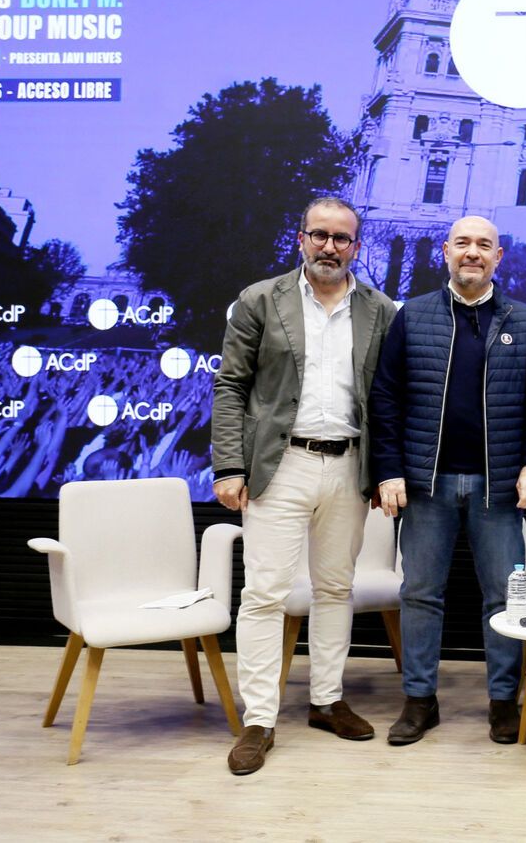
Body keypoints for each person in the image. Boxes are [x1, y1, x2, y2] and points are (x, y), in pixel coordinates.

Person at [212, 196, 397, 775]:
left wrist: (387, 471)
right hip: (278, 466)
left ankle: (325, 701)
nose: (330, 247)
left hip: (349, 467)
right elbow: (230, 387)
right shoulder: (260, 300)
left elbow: (388, 401)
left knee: (335, 589)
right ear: (300, 239)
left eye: (342, 239)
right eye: (319, 235)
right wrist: (228, 466)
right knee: (265, 594)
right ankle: (259, 720)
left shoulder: (380, 310)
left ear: (356, 247)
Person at [368, 215, 526, 746]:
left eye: (484, 246)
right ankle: (419, 701)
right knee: (421, 594)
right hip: (425, 485)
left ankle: (504, 702)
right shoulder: (413, 316)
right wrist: (387, 470)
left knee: (504, 598)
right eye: (462, 244)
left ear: (500, 257)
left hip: (499, 487)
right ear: (445, 253)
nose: (472, 253)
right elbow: (385, 398)